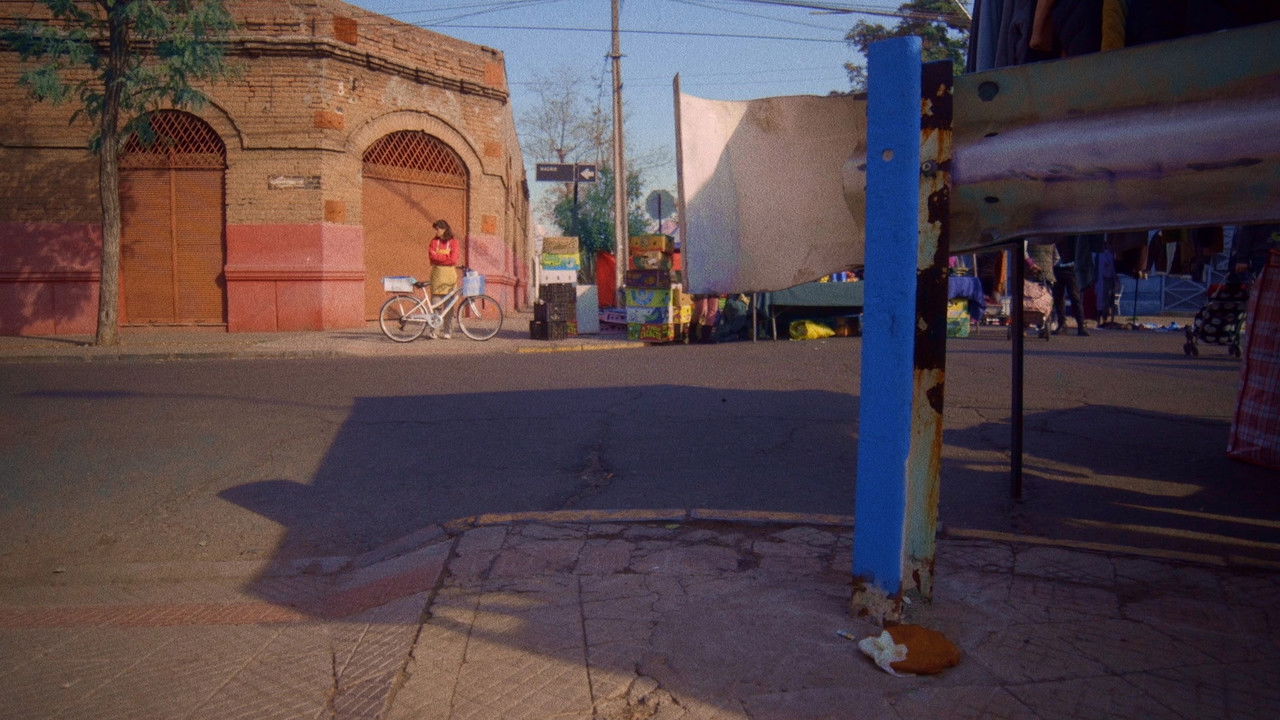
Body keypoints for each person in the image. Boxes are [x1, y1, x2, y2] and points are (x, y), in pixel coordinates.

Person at [428, 219, 459, 339]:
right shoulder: (433, 241)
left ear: (444, 229)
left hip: (450, 276)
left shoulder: (454, 242)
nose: (436, 231)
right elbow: (431, 257)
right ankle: (434, 331)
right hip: (437, 276)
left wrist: (439, 257)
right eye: (435, 229)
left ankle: (447, 331)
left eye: (438, 229)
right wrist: (446, 256)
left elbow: (453, 259)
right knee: (436, 305)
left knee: (449, 306)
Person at [1052, 236, 1089, 335]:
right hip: (1056, 267)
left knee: (1075, 297)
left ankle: (1081, 326)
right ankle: (1062, 324)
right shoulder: (1053, 232)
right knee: (1058, 298)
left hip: (1071, 267)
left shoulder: (1071, 232)